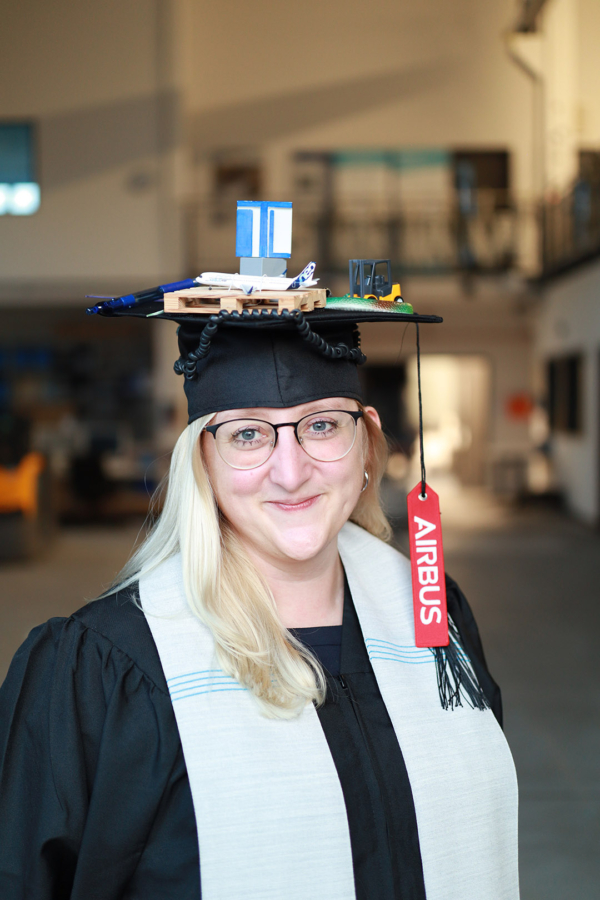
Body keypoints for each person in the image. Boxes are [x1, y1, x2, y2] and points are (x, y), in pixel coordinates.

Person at [0, 308, 519, 900]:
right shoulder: (102, 670)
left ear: (367, 440)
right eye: (247, 434)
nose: (291, 473)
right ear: (202, 461)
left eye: (322, 425)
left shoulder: (433, 616)